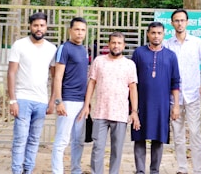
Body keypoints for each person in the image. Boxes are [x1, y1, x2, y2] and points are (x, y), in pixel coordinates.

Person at [78, 31, 140, 174]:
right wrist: (86, 105)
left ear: (123, 45)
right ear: (108, 44)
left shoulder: (129, 64)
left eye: (119, 43)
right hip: (100, 112)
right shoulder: (99, 61)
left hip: (120, 113)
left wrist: (134, 111)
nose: (116, 45)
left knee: (117, 149)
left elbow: (133, 88)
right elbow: (92, 83)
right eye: (113, 42)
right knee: (98, 148)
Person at [7, 11, 57, 174]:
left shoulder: (52, 49)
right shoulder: (19, 45)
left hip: (41, 101)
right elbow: (11, 73)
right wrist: (12, 100)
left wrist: (52, 101)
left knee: (34, 139)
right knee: (20, 139)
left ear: (46, 27)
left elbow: (55, 77)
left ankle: (28, 170)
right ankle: (16, 171)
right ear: (30, 26)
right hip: (22, 99)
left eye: (42, 25)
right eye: (35, 25)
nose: (39, 28)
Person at [164, 8, 201, 174]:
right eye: (176, 20)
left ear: (187, 22)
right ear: (172, 23)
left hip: (193, 95)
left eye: (182, 20)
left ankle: (198, 169)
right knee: (178, 134)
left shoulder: (197, 42)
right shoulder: (167, 44)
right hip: (174, 97)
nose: (180, 23)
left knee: (196, 133)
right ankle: (182, 168)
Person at [132, 22, 181, 174]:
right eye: (153, 33)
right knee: (139, 136)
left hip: (162, 103)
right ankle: (140, 170)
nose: (156, 36)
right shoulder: (139, 53)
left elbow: (175, 82)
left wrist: (176, 105)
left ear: (163, 34)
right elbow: (132, 80)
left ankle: (155, 170)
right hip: (142, 102)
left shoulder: (171, 56)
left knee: (158, 137)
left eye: (159, 33)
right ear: (148, 34)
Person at [51, 17, 89, 174]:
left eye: (83, 30)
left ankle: (76, 170)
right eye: (77, 29)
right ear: (70, 31)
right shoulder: (64, 48)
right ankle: (57, 171)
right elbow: (57, 76)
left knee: (78, 141)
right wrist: (58, 101)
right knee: (62, 141)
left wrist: (87, 103)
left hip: (81, 102)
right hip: (67, 100)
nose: (80, 33)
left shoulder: (84, 50)